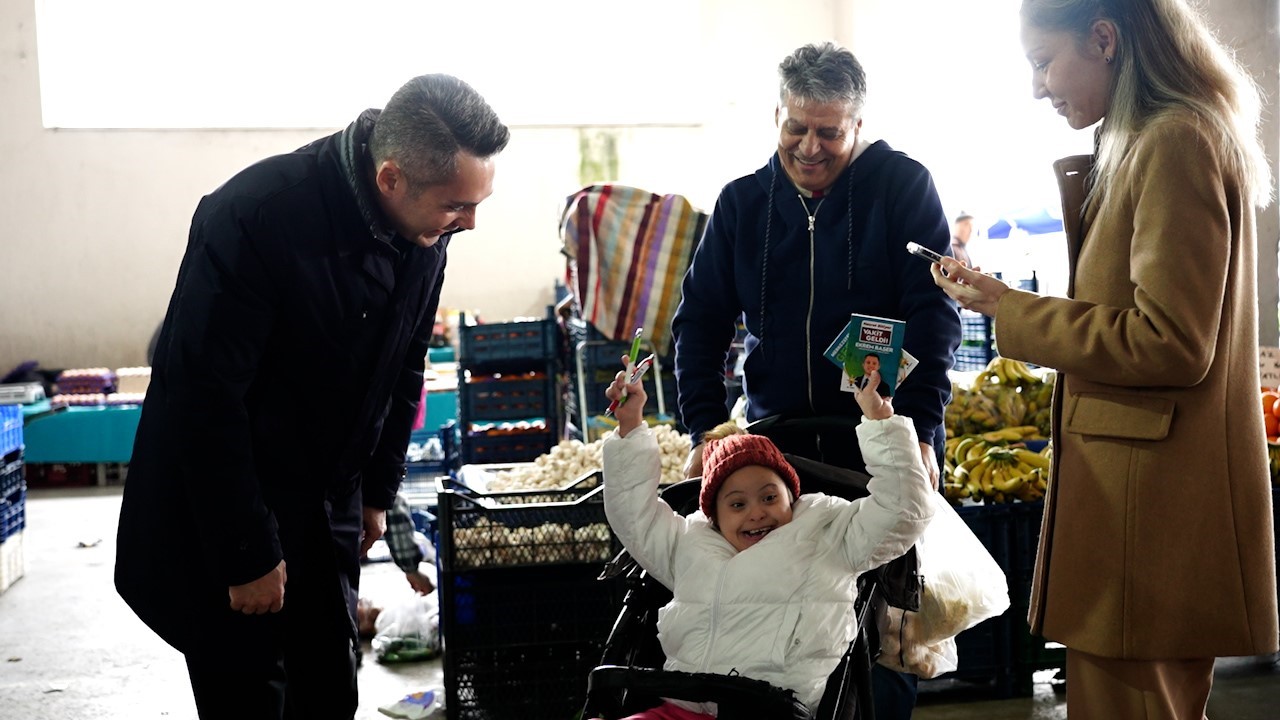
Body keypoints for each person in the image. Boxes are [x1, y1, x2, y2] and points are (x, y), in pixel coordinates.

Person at [114, 74, 510, 719]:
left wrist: (378, 492)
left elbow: (404, 365)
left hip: (323, 495)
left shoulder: (422, 233)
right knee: (249, 689)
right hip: (224, 505)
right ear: (391, 179)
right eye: (455, 206)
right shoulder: (256, 216)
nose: (468, 222)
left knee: (327, 686)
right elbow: (203, 398)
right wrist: (246, 554)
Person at [929, 1, 1278, 717]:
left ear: (1105, 40)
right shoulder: (1156, 138)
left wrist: (1012, 312)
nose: (1038, 87)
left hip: (1146, 524)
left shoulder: (1173, 141)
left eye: (1042, 62)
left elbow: (1171, 341)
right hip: (1136, 514)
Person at [670, 41, 962, 717]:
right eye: (794, 127)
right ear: (777, 115)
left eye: (828, 132)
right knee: (777, 615)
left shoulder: (903, 186)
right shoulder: (743, 204)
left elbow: (933, 309)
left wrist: (916, 429)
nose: (808, 146)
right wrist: (705, 424)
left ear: (858, 125)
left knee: (883, 626)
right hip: (779, 446)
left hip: (885, 437)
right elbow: (702, 320)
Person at [601, 357, 935, 718]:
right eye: (737, 504)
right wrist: (631, 425)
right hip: (683, 705)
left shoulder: (829, 533)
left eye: (769, 497)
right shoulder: (687, 543)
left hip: (772, 710)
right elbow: (632, 514)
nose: (757, 512)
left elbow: (904, 509)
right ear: (713, 514)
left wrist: (882, 423)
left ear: (792, 496)